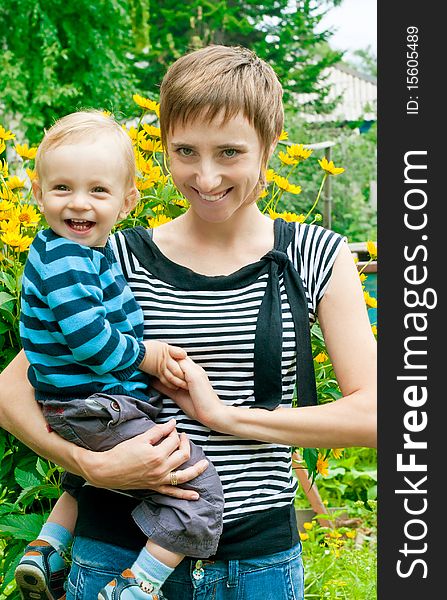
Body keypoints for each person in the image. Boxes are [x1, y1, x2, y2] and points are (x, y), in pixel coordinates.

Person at [0, 45, 377, 600]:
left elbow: (373, 416)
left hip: (257, 569)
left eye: (229, 151)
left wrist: (226, 417)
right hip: (114, 556)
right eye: (184, 151)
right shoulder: (113, 254)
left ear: (268, 148)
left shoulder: (315, 254)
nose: (205, 176)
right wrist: (87, 464)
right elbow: (9, 392)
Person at [12, 110, 224, 600]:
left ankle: (45, 548)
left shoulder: (82, 253)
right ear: (38, 194)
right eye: (62, 188)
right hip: (93, 404)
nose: (78, 203)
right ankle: (138, 586)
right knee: (196, 485)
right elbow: (90, 341)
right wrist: (147, 358)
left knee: (83, 480)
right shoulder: (68, 258)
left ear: (128, 200)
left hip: (77, 403)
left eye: (98, 191)